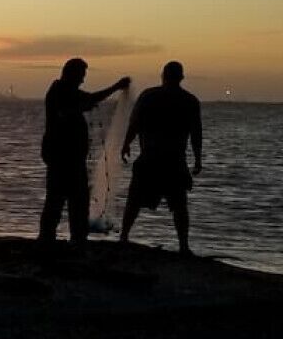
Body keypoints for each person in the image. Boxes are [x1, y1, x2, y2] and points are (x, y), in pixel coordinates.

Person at [38, 58, 130, 248]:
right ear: (71, 74)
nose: (82, 80)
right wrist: (115, 87)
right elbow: (67, 111)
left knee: (74, 198)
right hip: (61, 156)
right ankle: (51, 238)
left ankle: (73, 237)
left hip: (70, 157)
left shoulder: (68, 91)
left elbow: (89, 99)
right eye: (81, 76)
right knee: (63, 198)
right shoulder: (58, 92)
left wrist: (114, 88)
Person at [119, 61, 203, 255]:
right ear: (181, 77)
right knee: (179, 205)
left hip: (153, 158)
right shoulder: (189, 101)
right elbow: (196, 133)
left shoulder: (150, 96)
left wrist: (126, 144)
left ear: (162, 75)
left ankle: (124, 236)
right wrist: (198, 159)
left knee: (135, 200)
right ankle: (183, 246)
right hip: (171, 161)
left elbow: (135, 123)